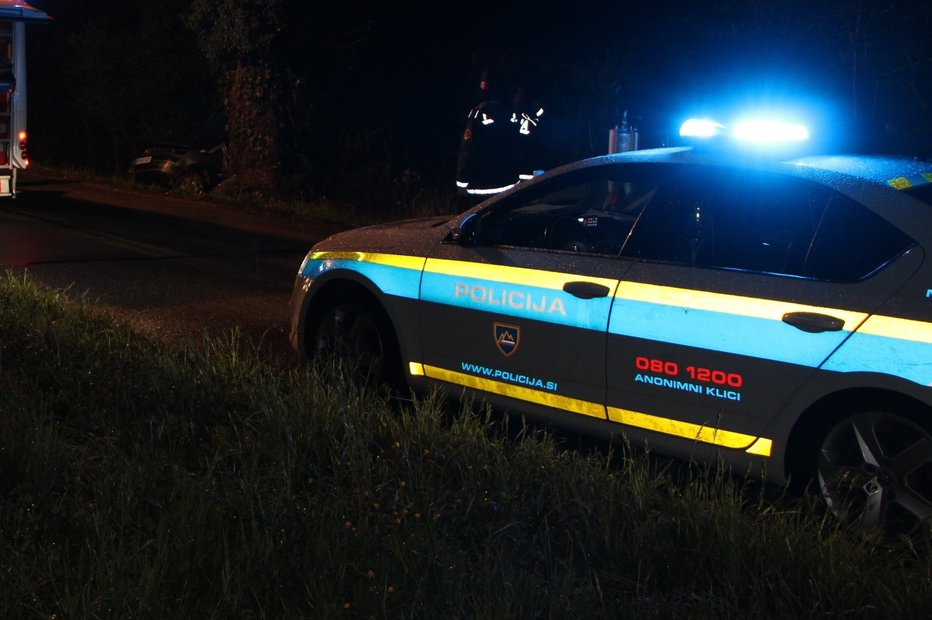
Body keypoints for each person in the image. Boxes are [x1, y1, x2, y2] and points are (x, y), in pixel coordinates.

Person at [455, 71, 521, 196]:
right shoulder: (510, 112)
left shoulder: (478, 113)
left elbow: (468, 148)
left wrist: (461, 181)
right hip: (508, 182)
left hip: (482, 184)